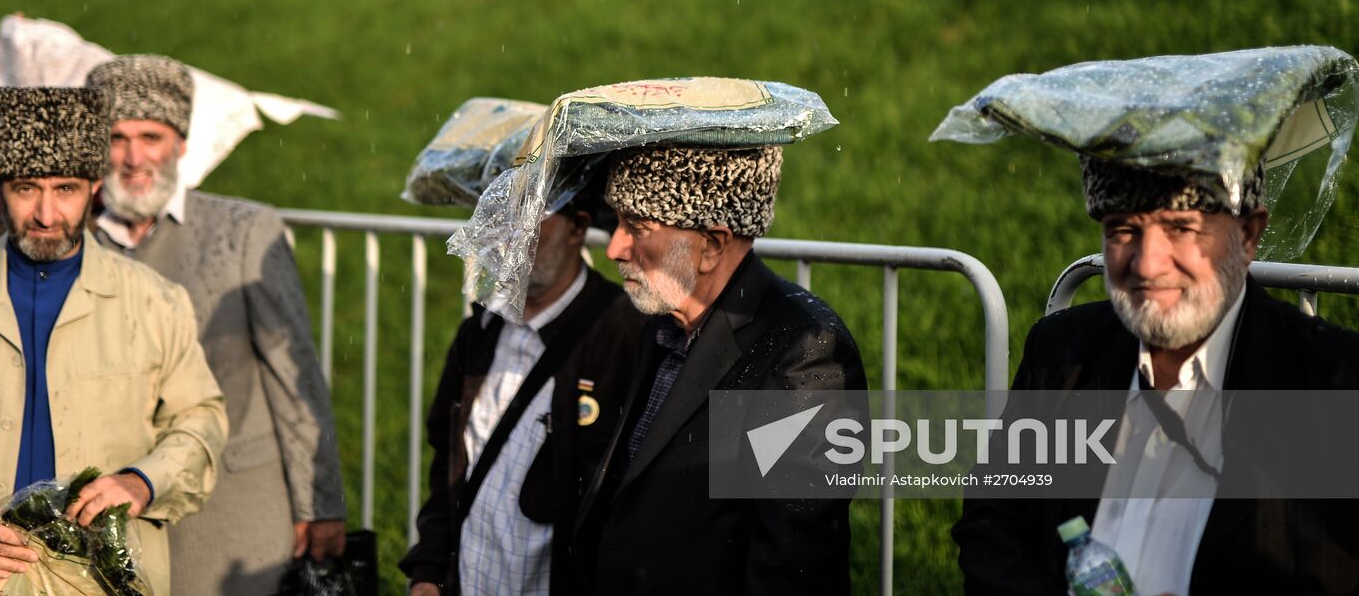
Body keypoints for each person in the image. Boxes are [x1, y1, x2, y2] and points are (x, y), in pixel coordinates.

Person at [952, 157, 1359, 594]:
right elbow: (991, 525)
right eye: (1123, 229)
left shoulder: (1332, 381)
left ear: (1247, 234)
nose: (1147, 265)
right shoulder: (1063, 349)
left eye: (1180, 228)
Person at [84, 55, 346, 594]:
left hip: (239, 513)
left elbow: (294, 378)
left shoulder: (244, 231)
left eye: (151, 136)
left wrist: (321, 503)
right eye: (117, 137)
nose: (134, 158)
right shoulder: (74, 245)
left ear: (180, 143)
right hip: (118, 518)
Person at [0, 86, 227, 595]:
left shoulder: (155, 302)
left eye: (65, 189)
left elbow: (201, 421)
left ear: (95, 185)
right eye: (25, 188)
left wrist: (141, 482)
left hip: (105, 581)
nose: (44, 213)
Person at [573, 145, 868, 595]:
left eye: (637, 227)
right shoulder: (660, 322)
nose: (614, 246)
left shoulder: (802, 352)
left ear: (711, 245)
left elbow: (791, 567)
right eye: (617, 222)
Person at [399, 189, 642, 596]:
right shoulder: (481, 330)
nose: (509, 232)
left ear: (578, 227)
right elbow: (449, 460)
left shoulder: (627, 335)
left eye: (530, 215)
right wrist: (429, 571)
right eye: (501, 212)